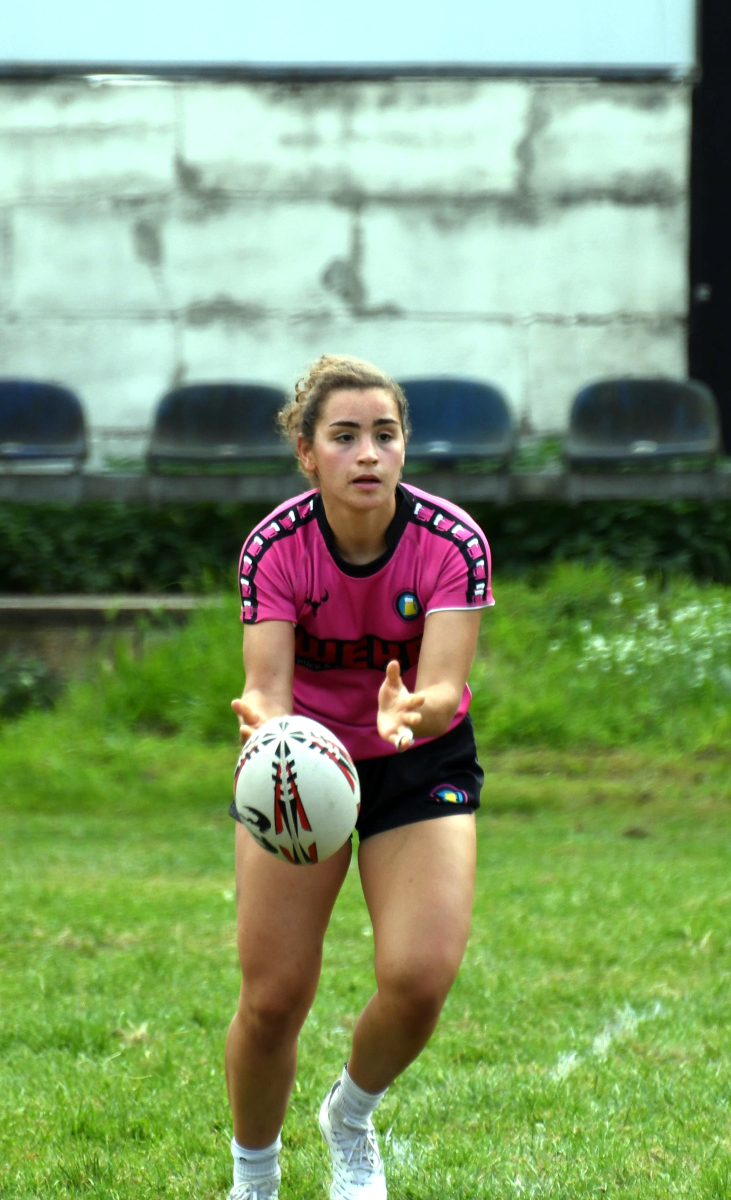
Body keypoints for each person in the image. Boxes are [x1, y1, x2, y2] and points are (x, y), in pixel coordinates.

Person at [226, 355, 493, 1199]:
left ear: (404, 446)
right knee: (273, 999)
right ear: (307, 453)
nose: (368, 453)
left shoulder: (452, 541)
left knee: (417, 982)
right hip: (302, 767)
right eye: (344, 437)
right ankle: (254, 1178)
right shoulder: (274, 546)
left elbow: (443, 690)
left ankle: (348, 1116)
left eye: (385, 434)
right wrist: (268, 731)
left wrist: (410, 709)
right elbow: (267, 690)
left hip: (416, 761)